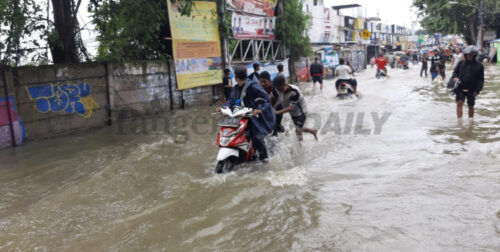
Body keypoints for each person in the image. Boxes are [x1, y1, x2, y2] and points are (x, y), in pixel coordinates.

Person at [218, 66, 276, 161]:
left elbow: (266, 98)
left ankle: (264, 159)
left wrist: (259, 109)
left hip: (252, 117)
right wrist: (223, 108)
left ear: (236, 77)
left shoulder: (253, 85)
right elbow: (230, 101)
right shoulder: (236, 88)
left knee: (257, 137)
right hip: (238, 116)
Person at [273, 75, 318, 141]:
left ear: (285, 84)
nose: (279, 90)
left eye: (280, 89)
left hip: (301, 112)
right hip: (293, 113)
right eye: (277, 89)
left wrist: (277, 112)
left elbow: (291, 108)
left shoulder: (294, 91)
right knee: (298, 129)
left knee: (298, 130)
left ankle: (300, 146)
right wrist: (274, 106)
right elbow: (280, 99)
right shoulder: (279, 89)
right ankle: (313, 132)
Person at [451, 46, 484, 119]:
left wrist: (478, 90)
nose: (469, 55)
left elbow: (481, 79)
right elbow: (455, 72)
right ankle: (459, 122)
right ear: (465, 54)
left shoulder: (480, 66)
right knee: (459, 104)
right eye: (467, 54)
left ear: (474, 55)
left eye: (471, 54)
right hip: (460, 87)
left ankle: (470, 122)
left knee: (471, 106)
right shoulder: (461, 63)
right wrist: (455, 78)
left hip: (472, 89)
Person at [259, 71, 284, 136]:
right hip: (268, 109)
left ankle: (283, 133)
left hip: (278, 108)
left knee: (275, 126)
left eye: (264, 82)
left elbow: (280, 99)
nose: (262, 84)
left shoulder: (274, 87)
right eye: (261, 81)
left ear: (269, 81)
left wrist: (273, 108)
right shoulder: (260, 88)